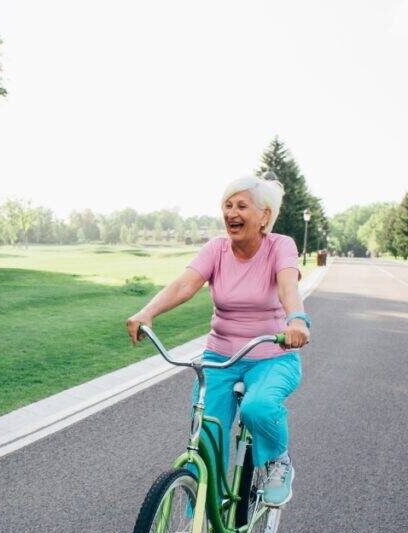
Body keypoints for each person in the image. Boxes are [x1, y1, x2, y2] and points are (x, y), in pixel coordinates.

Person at [126, 174, 310, 507]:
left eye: (241, 205)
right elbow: (184, 285)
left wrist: (297, 320)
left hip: (271, 355)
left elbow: (288, 288)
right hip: (220, 358)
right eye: (227, 205)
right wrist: (147, 312)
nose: (231, 213)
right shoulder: (216, 249)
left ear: (265, 215)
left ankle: (279, 462)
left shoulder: (280, 246)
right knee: (205, 443)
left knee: (258, 408)